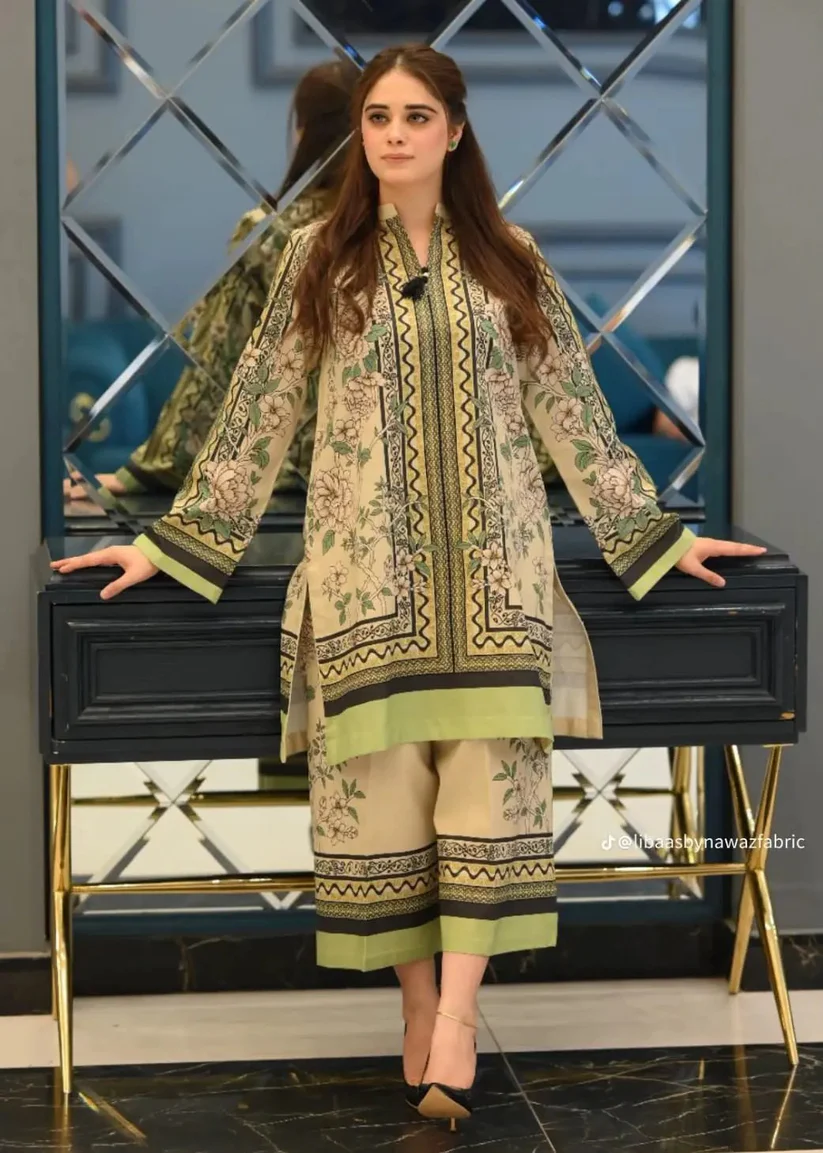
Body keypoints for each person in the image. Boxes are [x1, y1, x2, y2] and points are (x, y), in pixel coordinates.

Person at [52, 44, 766, 1130]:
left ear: (455, 130)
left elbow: (569, 409)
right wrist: (167, 542)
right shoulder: (317, 261)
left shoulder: (510, 258)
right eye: (378, 116)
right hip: (364, 581)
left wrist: (655, 536)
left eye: (415, 115)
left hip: (497, 579)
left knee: (488, 797)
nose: (393, 133)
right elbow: (257, 412)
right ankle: (418, 1005)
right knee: (383, 804)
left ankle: (459, 1017)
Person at [64, 58, 358, 503]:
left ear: (303, 131)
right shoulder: (412, 228)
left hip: (293, 475)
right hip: (395, 481)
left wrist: (144, 473)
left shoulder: (272, 233)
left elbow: (218, 363)